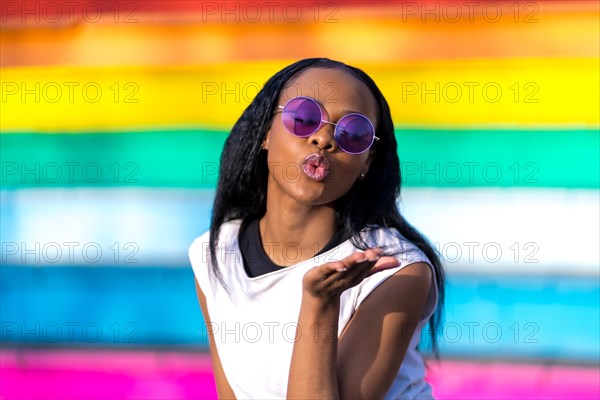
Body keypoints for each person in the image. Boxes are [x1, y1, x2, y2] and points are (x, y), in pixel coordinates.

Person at [189, 58, 445, 399]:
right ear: (265, 131)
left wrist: (320, 303)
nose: (324, 139)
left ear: (367, 162)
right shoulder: (214, 253)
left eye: (353, 133)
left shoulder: (394, 271)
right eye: (304, 118)